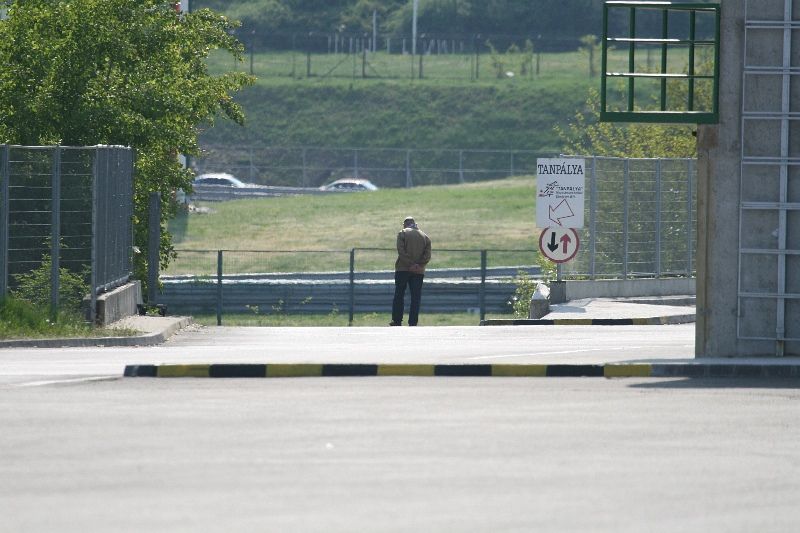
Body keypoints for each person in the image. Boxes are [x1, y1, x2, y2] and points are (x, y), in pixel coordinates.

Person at [391, 216, 431, 326]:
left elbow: (401, 251)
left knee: (399, 294)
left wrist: (410, 264)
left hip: (403, 269)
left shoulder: (402, 233)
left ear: (405, 224)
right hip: (419, 271)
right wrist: (418, 265)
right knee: (415, 296)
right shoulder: (425, 236)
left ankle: (397, 320)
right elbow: (427, 255)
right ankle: (413, 322)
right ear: (414, 223)